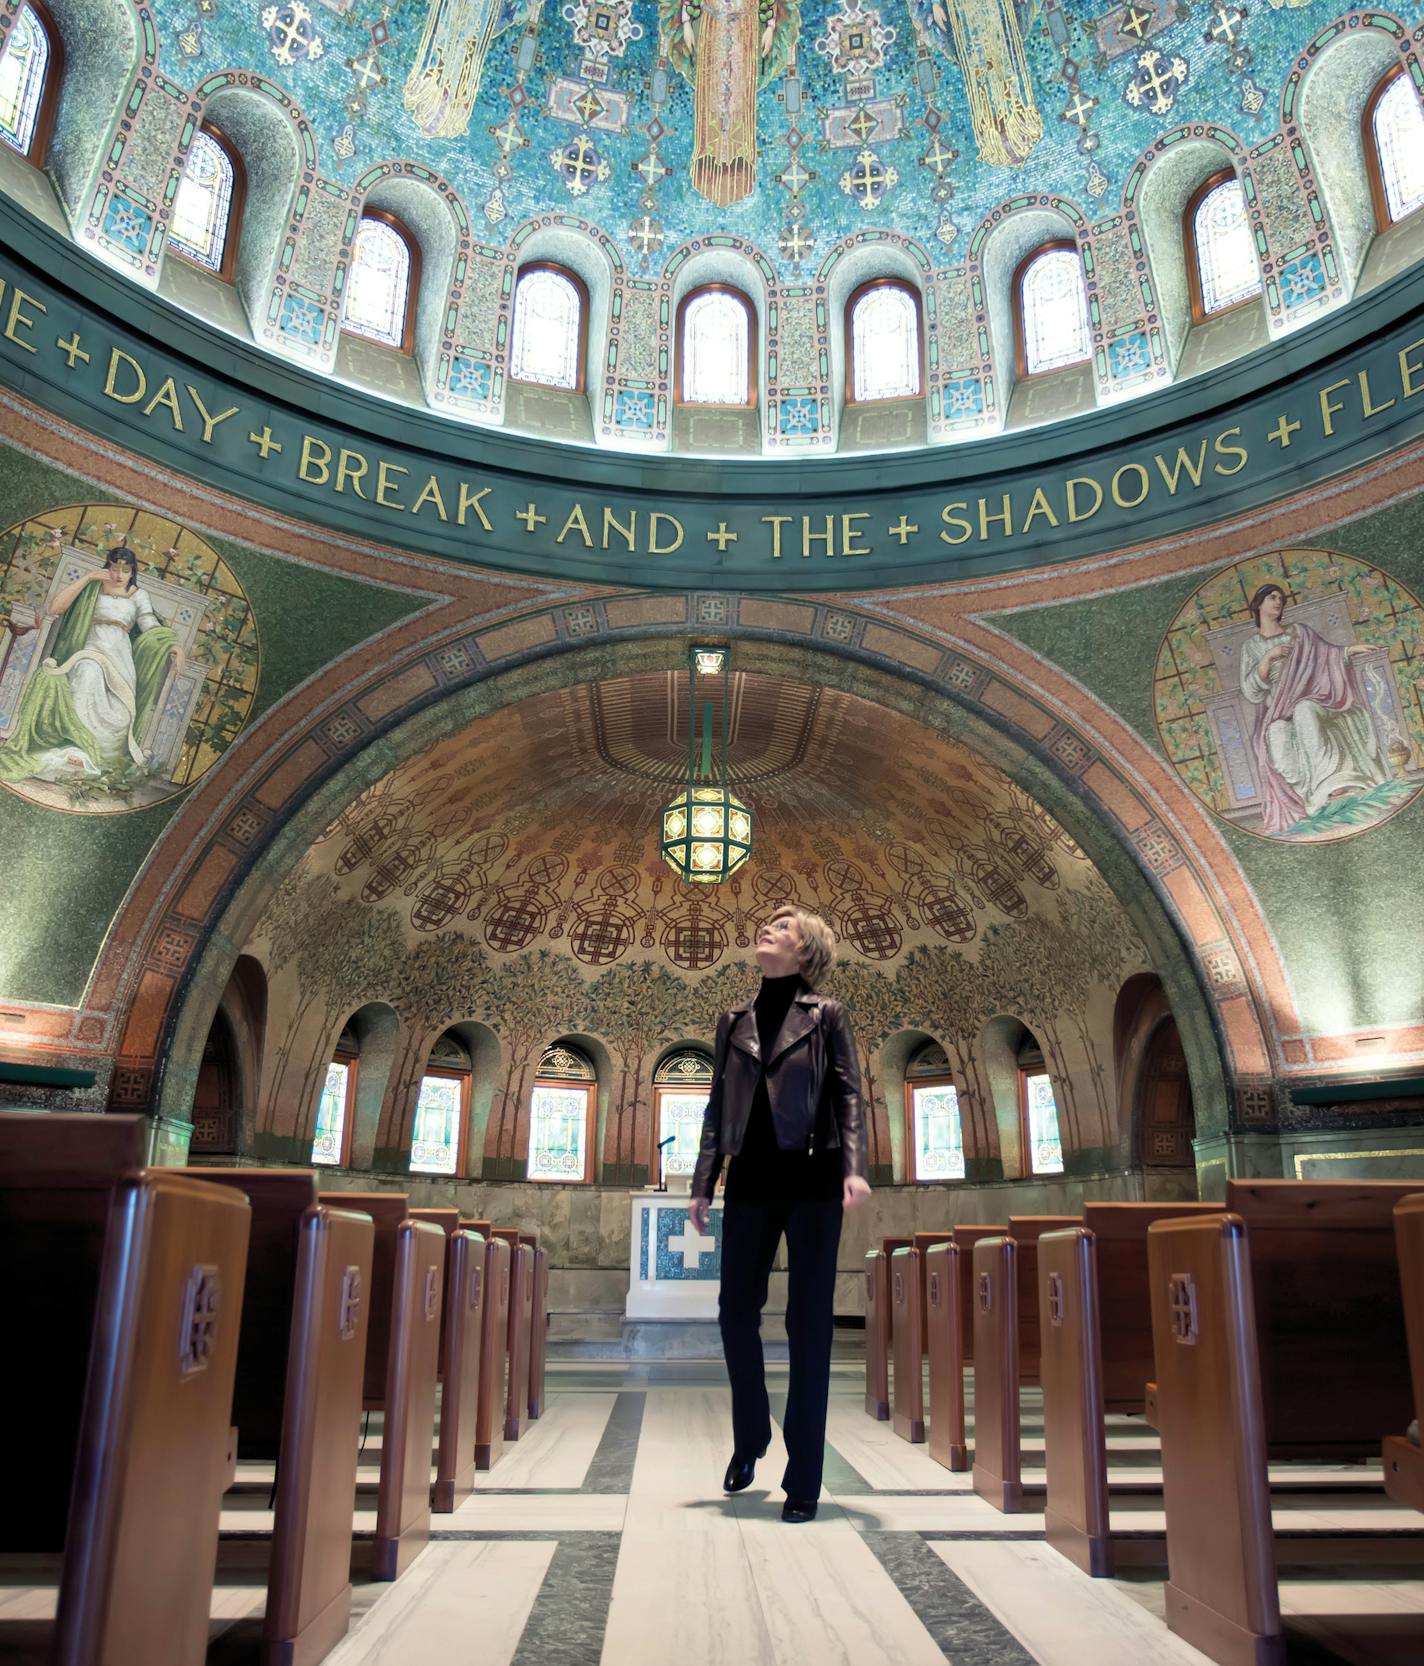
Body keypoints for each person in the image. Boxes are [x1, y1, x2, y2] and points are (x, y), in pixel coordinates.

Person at [689, 905, 870, 1523]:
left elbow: (848, 1092)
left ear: (806, 951)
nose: (769, 928)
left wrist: (853, 1166)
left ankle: (804, 1478)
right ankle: (751, 1436)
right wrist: (701, 1182)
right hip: (752, 1181)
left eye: (784, 927)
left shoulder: (827, 1016)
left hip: (815, 1180)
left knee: (808, 1324)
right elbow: (717, 1106)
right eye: (768, 924)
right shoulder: (732, 1020)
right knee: (735, 1312)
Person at [0, 545, 181, 787]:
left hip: (120, 656)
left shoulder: (138, 595)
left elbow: (149, 624)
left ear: (132, 572)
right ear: (107, 567)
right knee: (86, 673)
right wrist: (87, 577)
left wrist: (173, 645)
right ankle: (75, 746)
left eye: (125, 570)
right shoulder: (93, 587)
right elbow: (56, 608)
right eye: (114, 568)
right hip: (90, 649)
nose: (118, 575)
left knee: (120, 711)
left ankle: (92, 752)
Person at [1238, 582, 1388, 833]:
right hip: (1279, 711)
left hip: (1318, 700)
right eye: (1272, 597)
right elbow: (1251, 692)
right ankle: (1309, 793)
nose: (1278, 602)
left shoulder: (1298, 633)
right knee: (1275, 735)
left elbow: (1327, 654)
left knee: (1304, 710)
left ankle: (1331, 786)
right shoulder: (1251, 647)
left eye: (1281, 599)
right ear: (1258, 604)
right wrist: (1269, 656)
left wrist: (1351, 650)